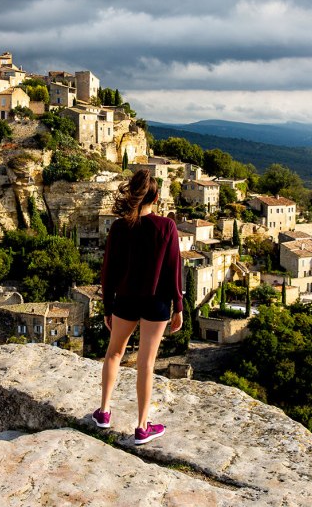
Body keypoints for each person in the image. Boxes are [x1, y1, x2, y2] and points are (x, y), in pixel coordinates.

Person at [93, 169, 183, 444]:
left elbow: (109, 270)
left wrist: (108, 306)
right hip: (157, 302)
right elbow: (174, 268)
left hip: (126, 299)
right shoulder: (166, 226)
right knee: (146, 363)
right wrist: (178, 306)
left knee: (113, 353)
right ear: (155, 199)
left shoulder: (120, 227)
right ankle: (143, 427)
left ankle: (104, 413)